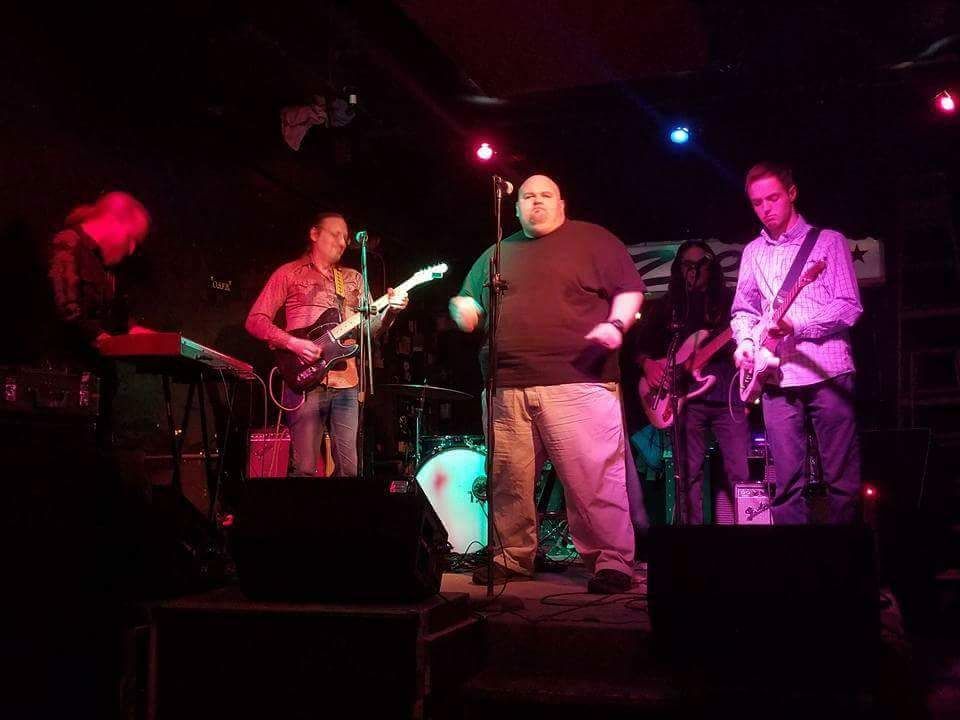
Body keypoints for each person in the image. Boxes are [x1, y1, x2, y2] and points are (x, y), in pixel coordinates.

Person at [449, 174, 645, 594]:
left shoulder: (594, 240)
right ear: (516, 207)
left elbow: (630, 290)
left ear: (561, 203)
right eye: (528, 196)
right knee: (507, 479)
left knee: (593, 479)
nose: (536, 202)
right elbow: (471, 303)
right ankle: (510, 555)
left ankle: (611, 560)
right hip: (506, 385)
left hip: (579, 382)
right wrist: (464, 308)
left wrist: (615, 324)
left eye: (545, 195)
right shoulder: (497, 253)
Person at [731, 162, 863, 524]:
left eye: (773, 198)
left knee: (841, 481)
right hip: (776, 377)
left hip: (828, 372)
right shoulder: (752, 252)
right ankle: (795, 556)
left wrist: (798, 325)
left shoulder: (829, 241)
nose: (766, 208)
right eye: (757, 202)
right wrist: (745, 342)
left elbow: (849, 306)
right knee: (786, 485)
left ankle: (846, 554)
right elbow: (743, 310)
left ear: (792, 193)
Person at [246, 212, 407, 476]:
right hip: (304, 380)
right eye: (336, 234)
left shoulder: (354, 278)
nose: (343, 242)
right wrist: (293, 343)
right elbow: (255, 320)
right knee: (305, 468)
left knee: (349, 470)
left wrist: (391, 312)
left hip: (346, 382)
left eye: (346, 237)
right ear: (314, 234)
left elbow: (370, 331)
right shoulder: (289, 273)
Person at [632, 240, 750, 524]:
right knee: (687, 476)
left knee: (740, 474)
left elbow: (746, 338)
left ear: (712, 267)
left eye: (700, 264)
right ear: (679, 269)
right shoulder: (668, 307)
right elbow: (639, 347)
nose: (694, 270)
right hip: (683, 402)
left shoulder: (729, 302)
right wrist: (648, 364)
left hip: (726, 398)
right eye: (687, 264)